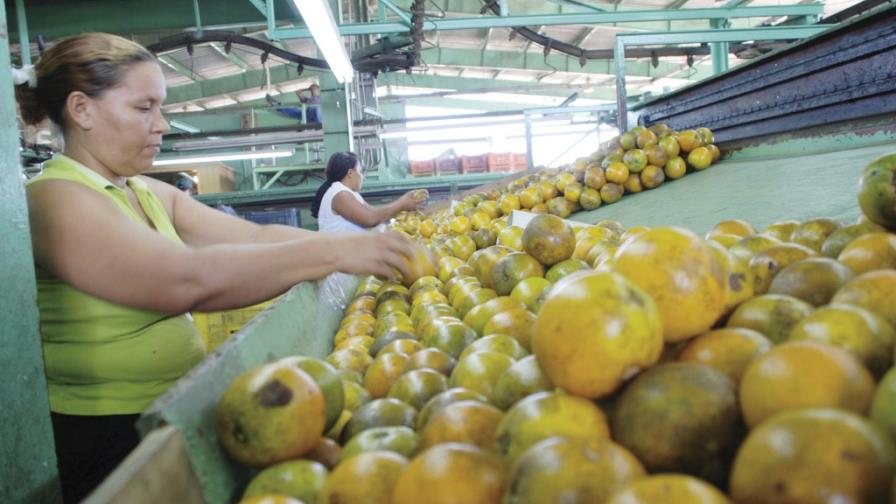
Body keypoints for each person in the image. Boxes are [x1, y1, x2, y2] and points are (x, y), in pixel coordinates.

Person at [16, 32, 414, 503]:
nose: (162, 124)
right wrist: (336, 254)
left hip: (174, 410)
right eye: (144, 108)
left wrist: (365, 248)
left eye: (161, 107)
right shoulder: (52, 199)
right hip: (107, 439)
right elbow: (182, 280)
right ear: (82, 109)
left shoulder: (146, 191)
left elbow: (255, 238)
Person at [311, 151, 426, 233]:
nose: (363, 177)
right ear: (350, 173)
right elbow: (369, 219)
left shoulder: (351, 193)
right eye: (360, 172)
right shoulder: (339, 194)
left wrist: (405, 207)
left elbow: (375, 213)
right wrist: (401, 204)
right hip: (340, 257)